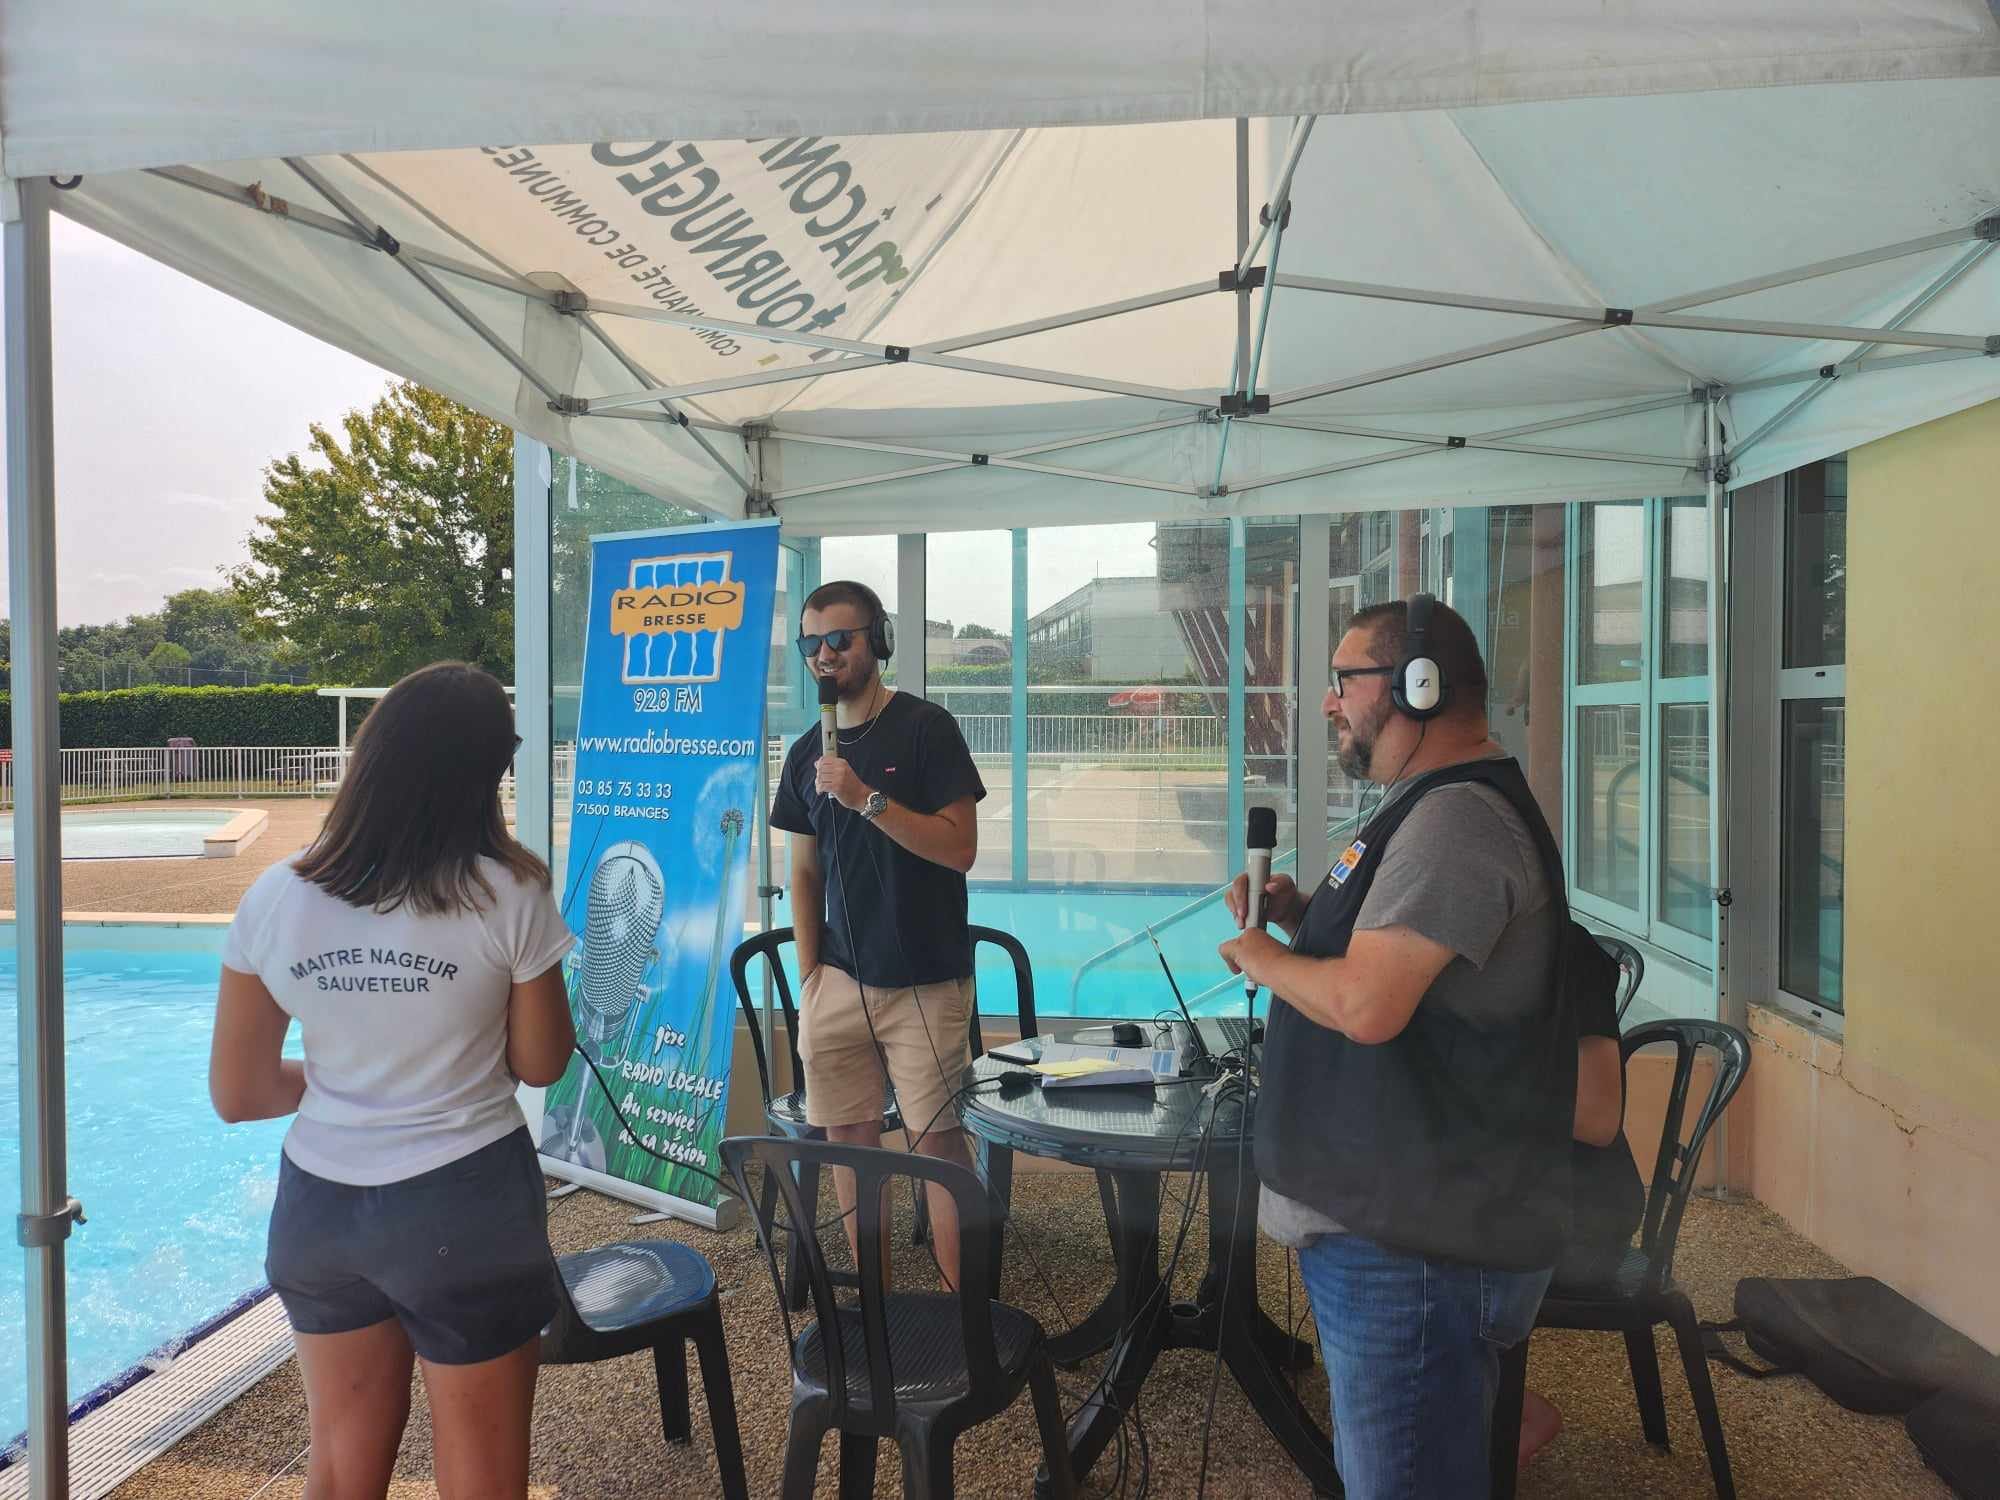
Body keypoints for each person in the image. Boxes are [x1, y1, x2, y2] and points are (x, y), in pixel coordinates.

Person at [1219, 595, 1575, 1499]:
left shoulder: (1456, 821)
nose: (1331, 703)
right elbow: (1394, 958)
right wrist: (1306, 917)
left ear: (1420, 686)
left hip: (1412, 1253)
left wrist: (1262, 955)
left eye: (1345, 680)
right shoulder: (1420, 806)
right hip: (1399, 1230)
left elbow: (1371, 1006)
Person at [209, 662, 577, 1500]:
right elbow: (540, 1064)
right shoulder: (510, 892)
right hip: (465, 1202)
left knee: (340, 1472)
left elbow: (241, 1094)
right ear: (489, 770)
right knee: (481, 1481)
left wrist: (352, 1079)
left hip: (320, 1213)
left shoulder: (277, 895)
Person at [769, 580, 986, 1289]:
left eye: (841, 639)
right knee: (850, 1149)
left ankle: (966, 1319)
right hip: (837, 983)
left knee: (938, 1151)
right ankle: (875, 1314)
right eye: (813, 643)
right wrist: (810, 975)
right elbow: (802, 872)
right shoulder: (806, 754)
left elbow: (960, 848)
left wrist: (867, 799)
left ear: (878, 642)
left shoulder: (927, 729)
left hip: (925, 981)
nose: (826, 655)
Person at [1518, 960, 1647, 1464]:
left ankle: (1518, 1414)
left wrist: (1470, 1085)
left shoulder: (1569, 960)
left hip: (1583, 1226)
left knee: (1408, 1268)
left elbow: (1597, 1119)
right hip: (1532, 1200)